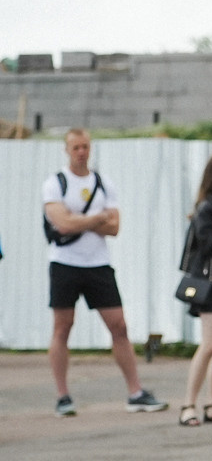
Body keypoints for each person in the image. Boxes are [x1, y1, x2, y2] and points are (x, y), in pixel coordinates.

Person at [40, 128, 166, 416]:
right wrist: (96, 218)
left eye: (85, 147)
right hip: (65, 263)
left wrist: (79, 220)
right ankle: (63, 396)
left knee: (119, 326)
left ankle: (135, 391)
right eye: (76, 148)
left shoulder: (103, 182)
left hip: (97, 263)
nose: (81, 152)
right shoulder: (55, 184)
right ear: (67, 150)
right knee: (63, 327)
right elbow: (62, 224)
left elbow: (114, 227)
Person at [176, 154, 212, 426]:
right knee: (210, 344)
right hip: (210, 283)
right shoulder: (207, 207)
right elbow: (209, 243)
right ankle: (188, 404)